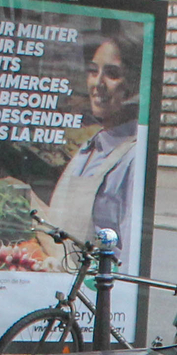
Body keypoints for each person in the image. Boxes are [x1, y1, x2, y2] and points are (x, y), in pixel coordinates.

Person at [46, 31, 145, 254]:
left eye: (112, 74)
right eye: (93, 71)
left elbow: (130, 254)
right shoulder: (90, 146)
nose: (98, 83)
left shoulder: (133, 157)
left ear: (134, 85)